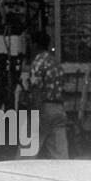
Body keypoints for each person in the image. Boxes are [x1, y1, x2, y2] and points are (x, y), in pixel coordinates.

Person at [22, 28, 68, 158]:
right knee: (60, 155)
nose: (28, 47)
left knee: (26, 154)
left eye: (29, 43)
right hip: (58, 109)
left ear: (35, 45)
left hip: (43, 108)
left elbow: (37, 90)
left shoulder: (37, 62)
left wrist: (33, 114)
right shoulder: (54, 62)